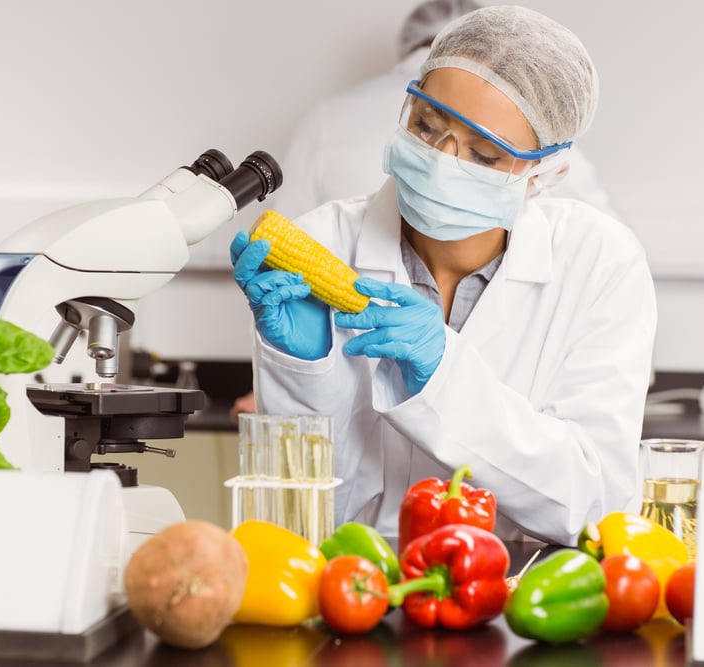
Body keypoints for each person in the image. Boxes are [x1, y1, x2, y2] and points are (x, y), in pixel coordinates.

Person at [230, 6, 656, 546]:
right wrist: (305, 374)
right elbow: (298, 516)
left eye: (484, 154)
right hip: (358, 586)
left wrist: (445, 378)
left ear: (547, 173)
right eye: (427, 127)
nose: (441, 161)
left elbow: (594, 502)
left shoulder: (602, 263)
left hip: (520, 593)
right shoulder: (323, 241)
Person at [269, 0, 619, 220]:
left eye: (484, 154)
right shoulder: (339, 223)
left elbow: (604, 249)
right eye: (425, 126)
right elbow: (284, 241)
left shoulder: (327, 118)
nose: (439, 168)